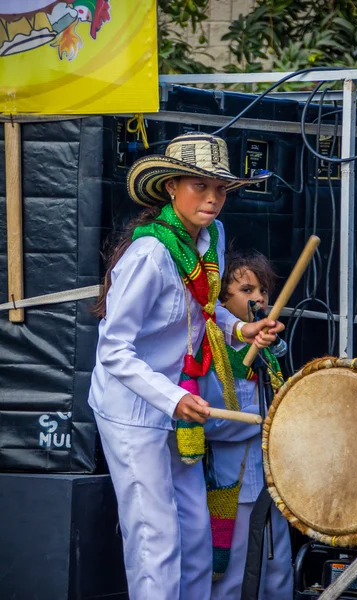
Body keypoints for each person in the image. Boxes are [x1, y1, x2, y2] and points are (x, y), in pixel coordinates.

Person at [88, 132, 285, 600]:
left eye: (220, 188)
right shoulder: (150, 255)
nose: (213, 198)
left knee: (195, 536)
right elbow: (112, 350)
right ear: (171, 187)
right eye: (200, 186)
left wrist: (242, 331)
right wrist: (174, 399)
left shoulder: (210, 236)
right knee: (155, 538)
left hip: (180, 400)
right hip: (133, 411)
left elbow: (204, 307)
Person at [200, 249, 293, 600]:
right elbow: (209, 421)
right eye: (247, 290)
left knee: (278, 567)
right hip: (232, 482)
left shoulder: (266, 349)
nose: (259, 298)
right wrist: (265, 422)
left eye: (263, 291)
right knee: (232, 572)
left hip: (272, 480)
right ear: (222, 298)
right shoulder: (213, 349)